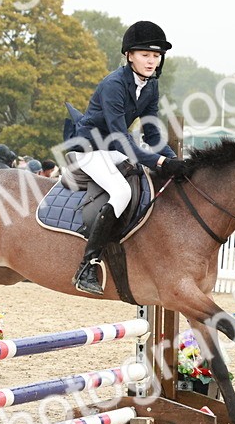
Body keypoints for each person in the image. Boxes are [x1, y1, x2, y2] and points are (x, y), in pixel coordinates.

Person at [65, 20, 186, 294]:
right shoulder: (113, 85)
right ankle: (87, 264)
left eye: (156, 56)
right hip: (89, 148)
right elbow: (121, 137)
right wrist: (160, 162)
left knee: (145, 180)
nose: (152, 61)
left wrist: (175, 161)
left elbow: (153, 136)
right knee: (121, 192)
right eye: (145, 55)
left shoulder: (151, 87)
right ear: (129, 55)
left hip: (113, 150)